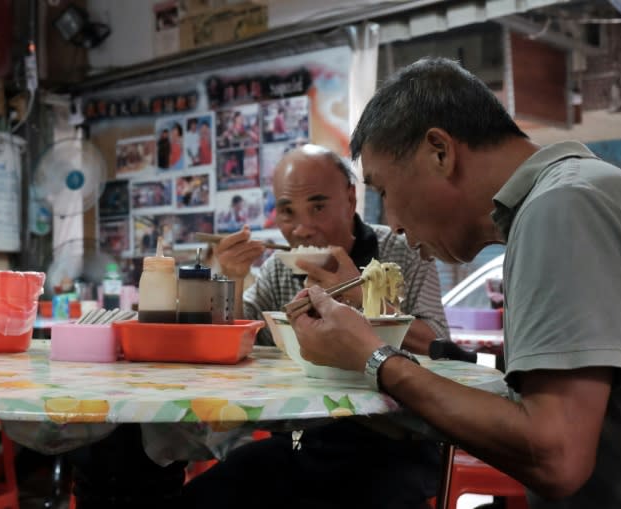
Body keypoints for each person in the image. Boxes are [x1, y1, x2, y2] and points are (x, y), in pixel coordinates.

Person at [290, 57, 621, 509]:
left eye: (383, 192)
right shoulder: (581, 190)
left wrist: (373, 358)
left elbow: (557, 457)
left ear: (439, 151)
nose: (392, 223)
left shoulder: (562, 207)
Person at [179, 144, 449, 509]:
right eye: (288, 212)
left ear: (351, 198)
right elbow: (243, 339)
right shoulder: (280, 268)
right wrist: (234, 279)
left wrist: (358, 292)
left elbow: (438, 344)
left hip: (395, 443)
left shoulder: (403, 251)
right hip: (304, 440)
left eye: (318, 207)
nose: (302, 229)